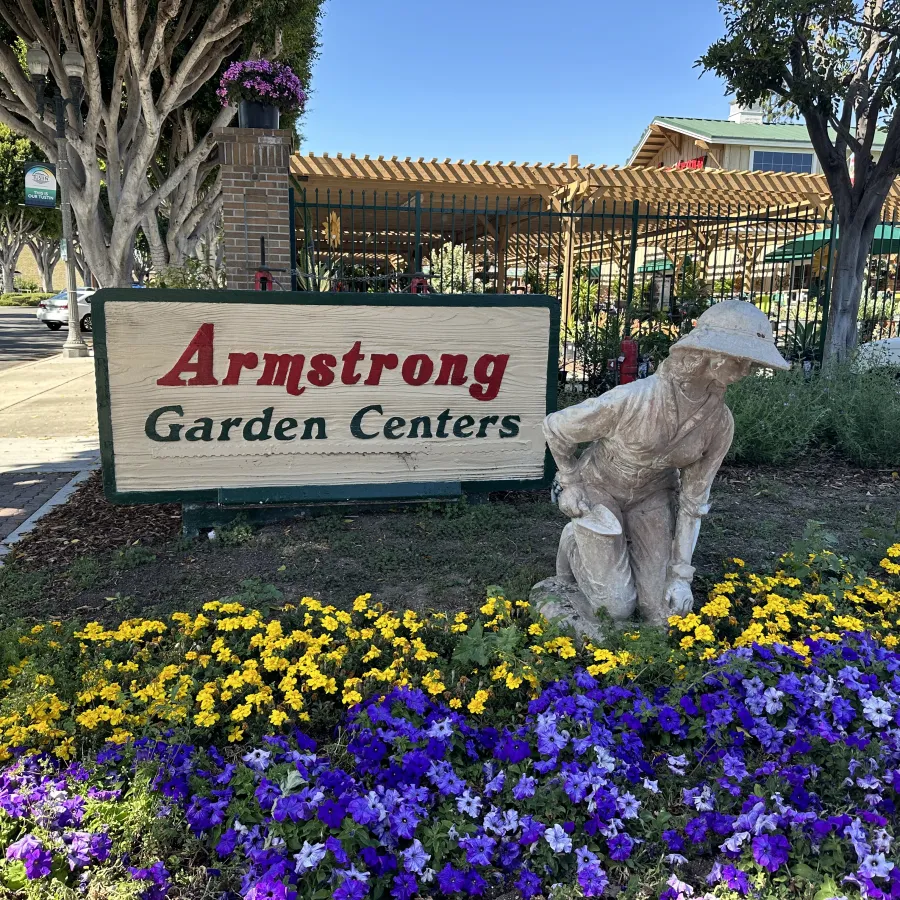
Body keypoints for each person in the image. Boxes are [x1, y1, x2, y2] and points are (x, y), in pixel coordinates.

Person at [541, 300, 789, 628]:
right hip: (599, 490)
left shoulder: (719, 424)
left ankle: (618, 551)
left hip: (652, 497)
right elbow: (557, 427)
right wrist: (571, 483)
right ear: (711, 354)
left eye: (752, 365)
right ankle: (579, 537)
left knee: (664, 615)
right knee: (616, 608)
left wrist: (681, 577)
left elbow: (693, 502)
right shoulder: (634, 399)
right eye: (741, 361)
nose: (745, 372)